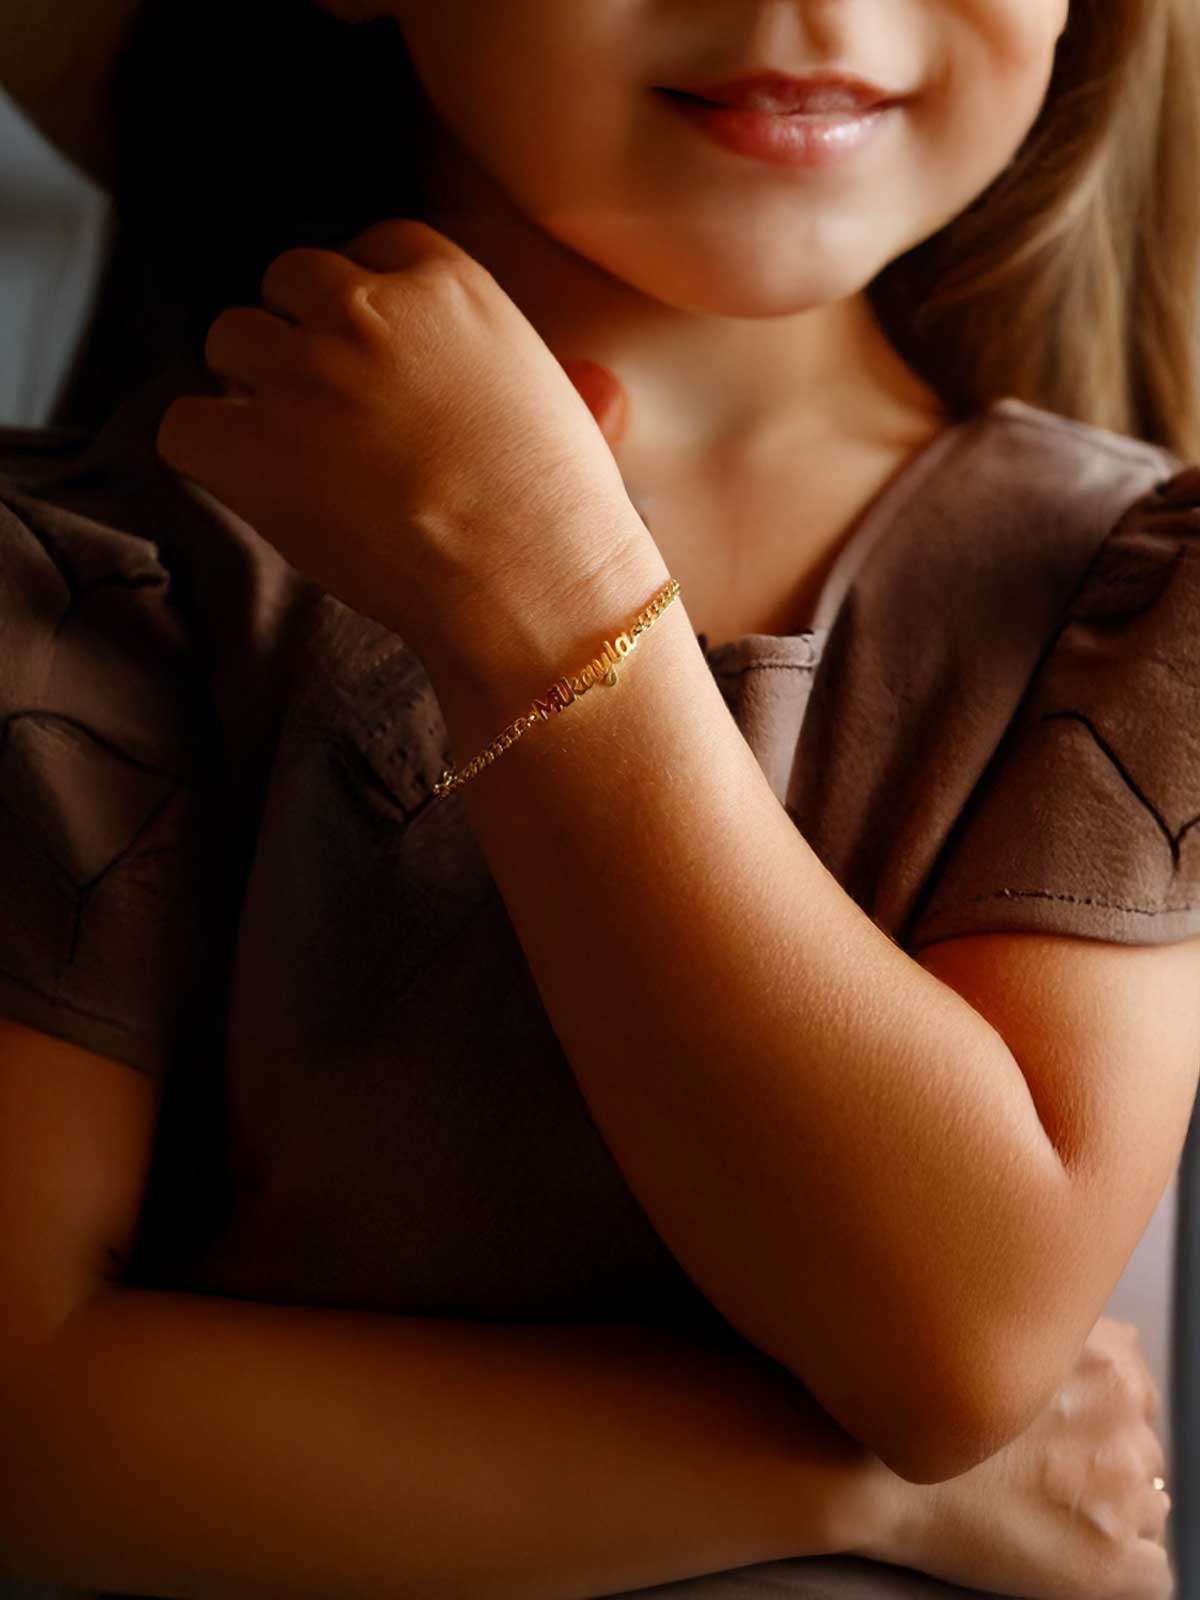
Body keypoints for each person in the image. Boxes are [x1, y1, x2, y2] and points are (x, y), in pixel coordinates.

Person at [0, 1, 1195, 1597]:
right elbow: (26, 1425)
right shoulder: (94, 587)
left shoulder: (1135, 602)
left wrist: (547, 606)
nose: (814, 6)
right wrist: (854, 1495)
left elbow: (954, 1339)